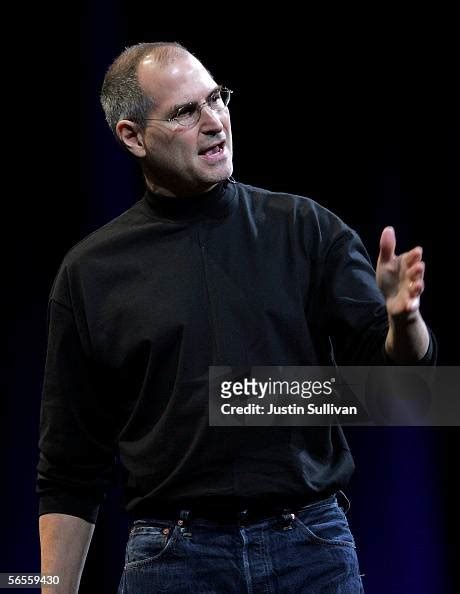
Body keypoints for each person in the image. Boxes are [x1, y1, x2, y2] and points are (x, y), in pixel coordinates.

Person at [37, 42, 435, 594]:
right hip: (171, 558)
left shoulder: (305, 228)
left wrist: (403, 322)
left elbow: (406, 391)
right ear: (131, 136)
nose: (214, 122)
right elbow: (68, 467)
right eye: (184, 112)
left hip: (310, 549)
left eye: (217, 99)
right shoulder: (90, 273)